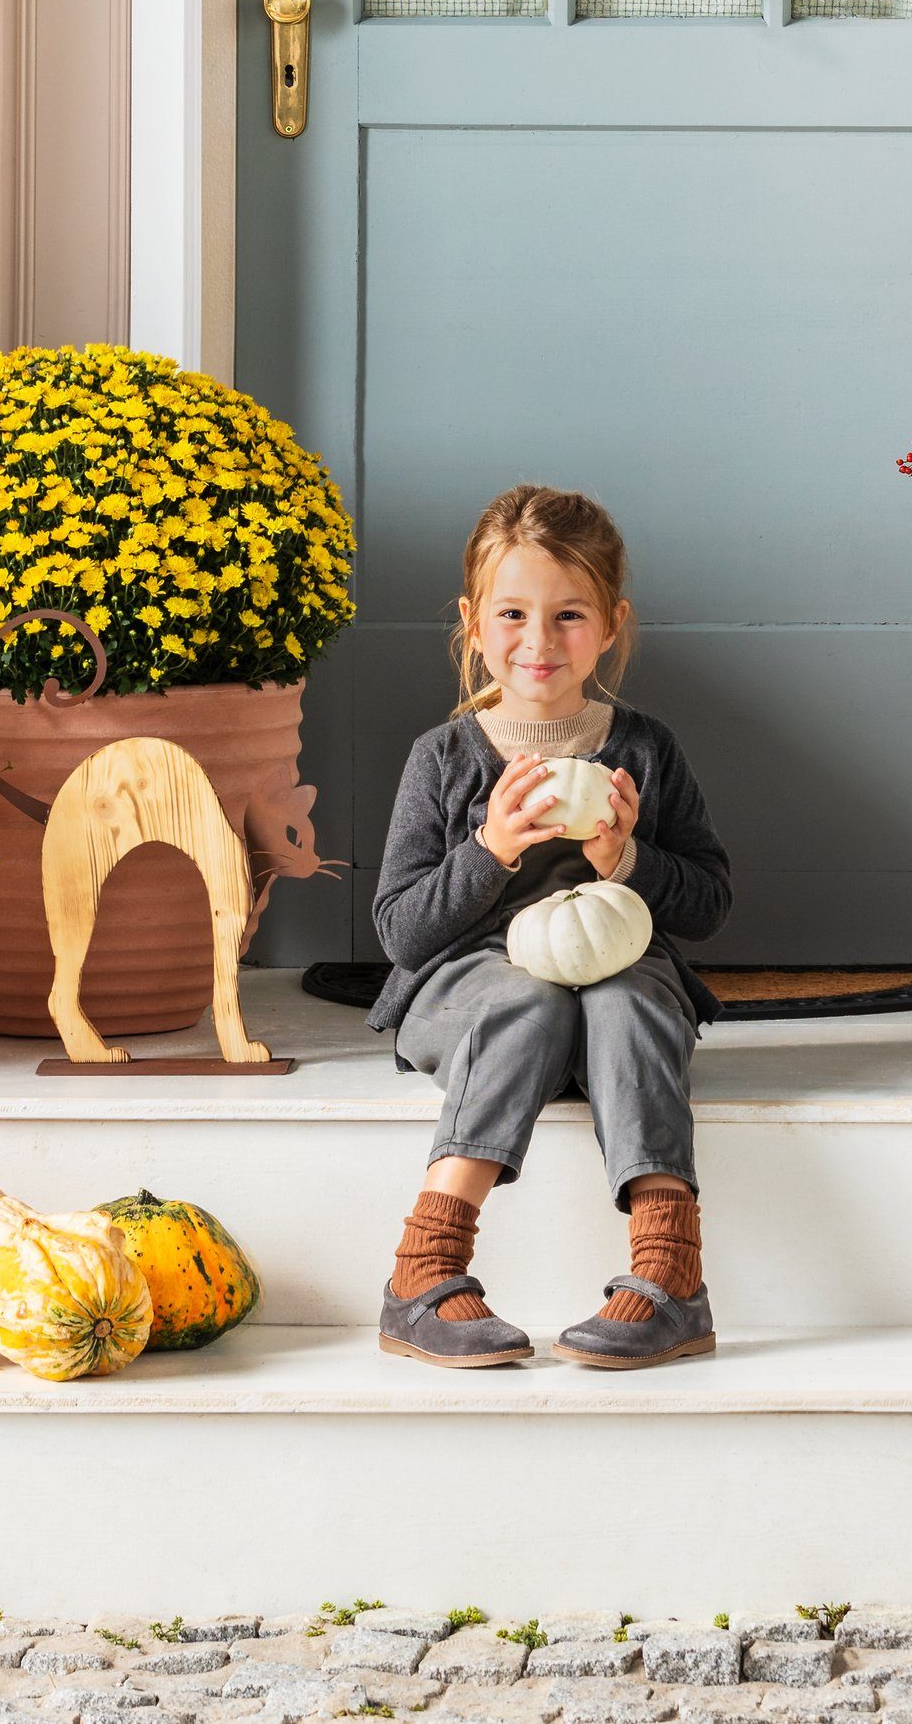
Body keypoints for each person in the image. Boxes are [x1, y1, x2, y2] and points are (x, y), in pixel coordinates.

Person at [367, 485, 733, 1369]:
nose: (539, 640)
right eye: (513, 613)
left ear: (611, 623)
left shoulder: (642, 748)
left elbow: (710, 901)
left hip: (614, 971)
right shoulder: (445, 756)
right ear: (472, 622)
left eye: (569, 614)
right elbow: (400, 930)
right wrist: (488, 848)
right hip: (474, 984)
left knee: (634, 992)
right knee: (526, 996)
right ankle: (425, 1266)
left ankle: (671, 1272)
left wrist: (626, 860)